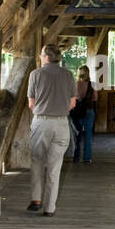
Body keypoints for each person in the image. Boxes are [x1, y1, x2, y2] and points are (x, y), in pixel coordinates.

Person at [26, 44, 77, 217]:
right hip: (62, 124)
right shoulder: (69, 75)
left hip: (41, 123)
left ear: (46, 56)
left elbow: (31, 104)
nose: (40, 57)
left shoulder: (35, 74)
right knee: (55, 168)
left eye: (41, 54)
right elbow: (72, 104)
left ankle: (36, 199)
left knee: (37, 161)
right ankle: (49, 208)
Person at [72, 64, 96, 164]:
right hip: (89, 110)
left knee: (76, 135)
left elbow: (72, 97)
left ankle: (76, 157)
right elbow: (95, 98)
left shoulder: (75, 84)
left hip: (77, 111)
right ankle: (87, 158)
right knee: (88, 135)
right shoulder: (92, 84)